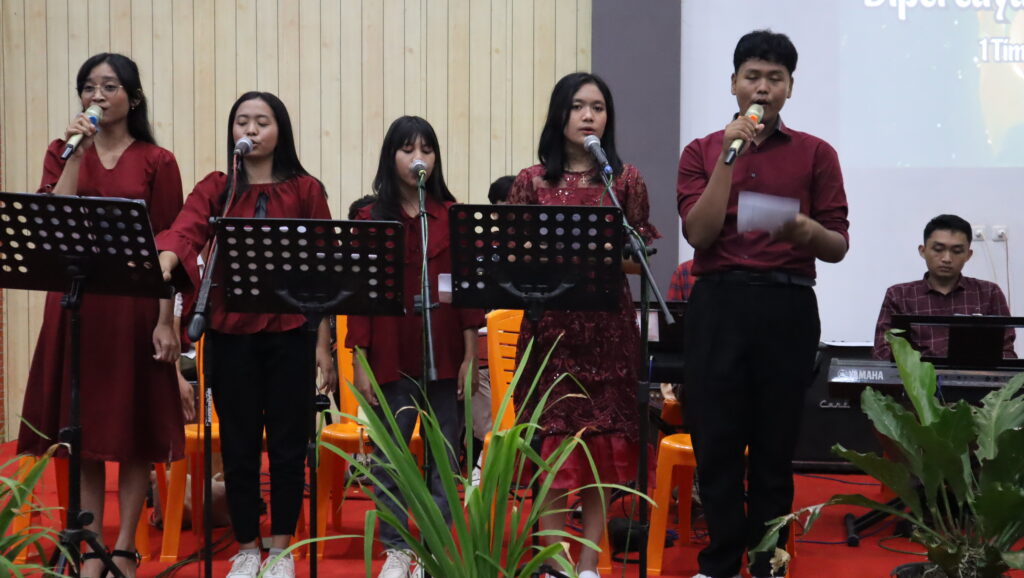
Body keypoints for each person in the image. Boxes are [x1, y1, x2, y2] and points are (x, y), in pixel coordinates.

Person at [677, 30, 850, 578]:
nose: (763, 88)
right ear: (734, 83)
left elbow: (838, 245)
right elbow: (699, 234)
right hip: (718, 304)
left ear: (790, 88)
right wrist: (728, 159)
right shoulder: (702, 151)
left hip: (787, 305)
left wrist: (805, 230)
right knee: (717, 443)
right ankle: (720, 563)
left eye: (775, 78)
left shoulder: (816, 153)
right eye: (752, 76)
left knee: (775, 446)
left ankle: (767, 561)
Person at [16, 52, 184, 578]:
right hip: (77, 304)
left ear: (132, 99)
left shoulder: (158, 160)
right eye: (89, 86)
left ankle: (126, 548)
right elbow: (53, 218)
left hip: (134, 307)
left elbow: (171, 245)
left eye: (110, 86)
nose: (97, 95)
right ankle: (91, 548)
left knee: (133, 427)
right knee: (81, 429)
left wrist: (166, 321)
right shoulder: (62, 151)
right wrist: (75, 154)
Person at [157, 91, 336, 578]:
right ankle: (245, 548)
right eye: (242, 121)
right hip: (229, 332)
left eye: (262, 121)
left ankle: (280, 550)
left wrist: (323, 344)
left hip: (291, 332)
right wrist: (166, 258)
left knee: (288, 444)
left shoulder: (305, 190)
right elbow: (186, 229)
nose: (251, 130)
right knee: (236, 444)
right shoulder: (217, 187)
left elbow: (325, 270)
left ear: (281, 130)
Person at [508, 72, 659, 578]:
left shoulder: (625, 181)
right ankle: (555, 563)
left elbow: (640, 260)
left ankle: (590, 565)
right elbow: (512, 255)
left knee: (599, 452)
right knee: (552, 448)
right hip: (550, 330)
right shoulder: (531, 182)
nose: (588, 115)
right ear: (560, 115)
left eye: (598, 106)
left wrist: (603, 252)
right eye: (577, 106)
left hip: (608, 331)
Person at [345, 115, 484, 578]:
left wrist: (470, 356)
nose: (418, 158)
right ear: (391, 157)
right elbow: (360, 298)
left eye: (426, 149)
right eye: (407, 149)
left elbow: (467, 296)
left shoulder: (453, 216)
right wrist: (360, 359)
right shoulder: (370, 219)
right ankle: (396, 548)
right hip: (391, 353)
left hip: (445, 353)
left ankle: (434, 545)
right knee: (390, 457)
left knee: (445, 453)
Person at [873, 214, 1015, 360]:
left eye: (957, 251)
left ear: (968, 255)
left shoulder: (988, 293)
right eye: (938, 249)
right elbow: (883, 352)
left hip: (974, 374)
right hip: (916, 375)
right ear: (923, 251)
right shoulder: (899, 295)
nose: (947, 258)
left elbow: (1006, 352)